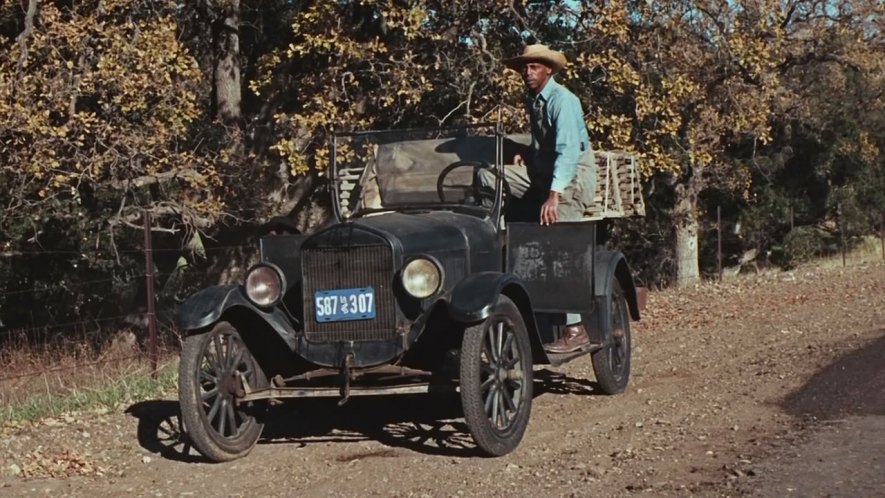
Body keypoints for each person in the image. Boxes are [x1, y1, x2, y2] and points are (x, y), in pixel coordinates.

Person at [497, 44, 597, 354]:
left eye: (535, 67)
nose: (528, 72)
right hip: (544, 172)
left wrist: (553, 196)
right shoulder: (533, 100)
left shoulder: (561, 100)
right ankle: (493, 239)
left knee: (559, 238)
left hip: (572, 179)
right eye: (525, 67)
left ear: (548, 70)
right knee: (490, 177)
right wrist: (525, 153)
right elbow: (545, 142)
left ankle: (575, 327)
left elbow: (567, 150)